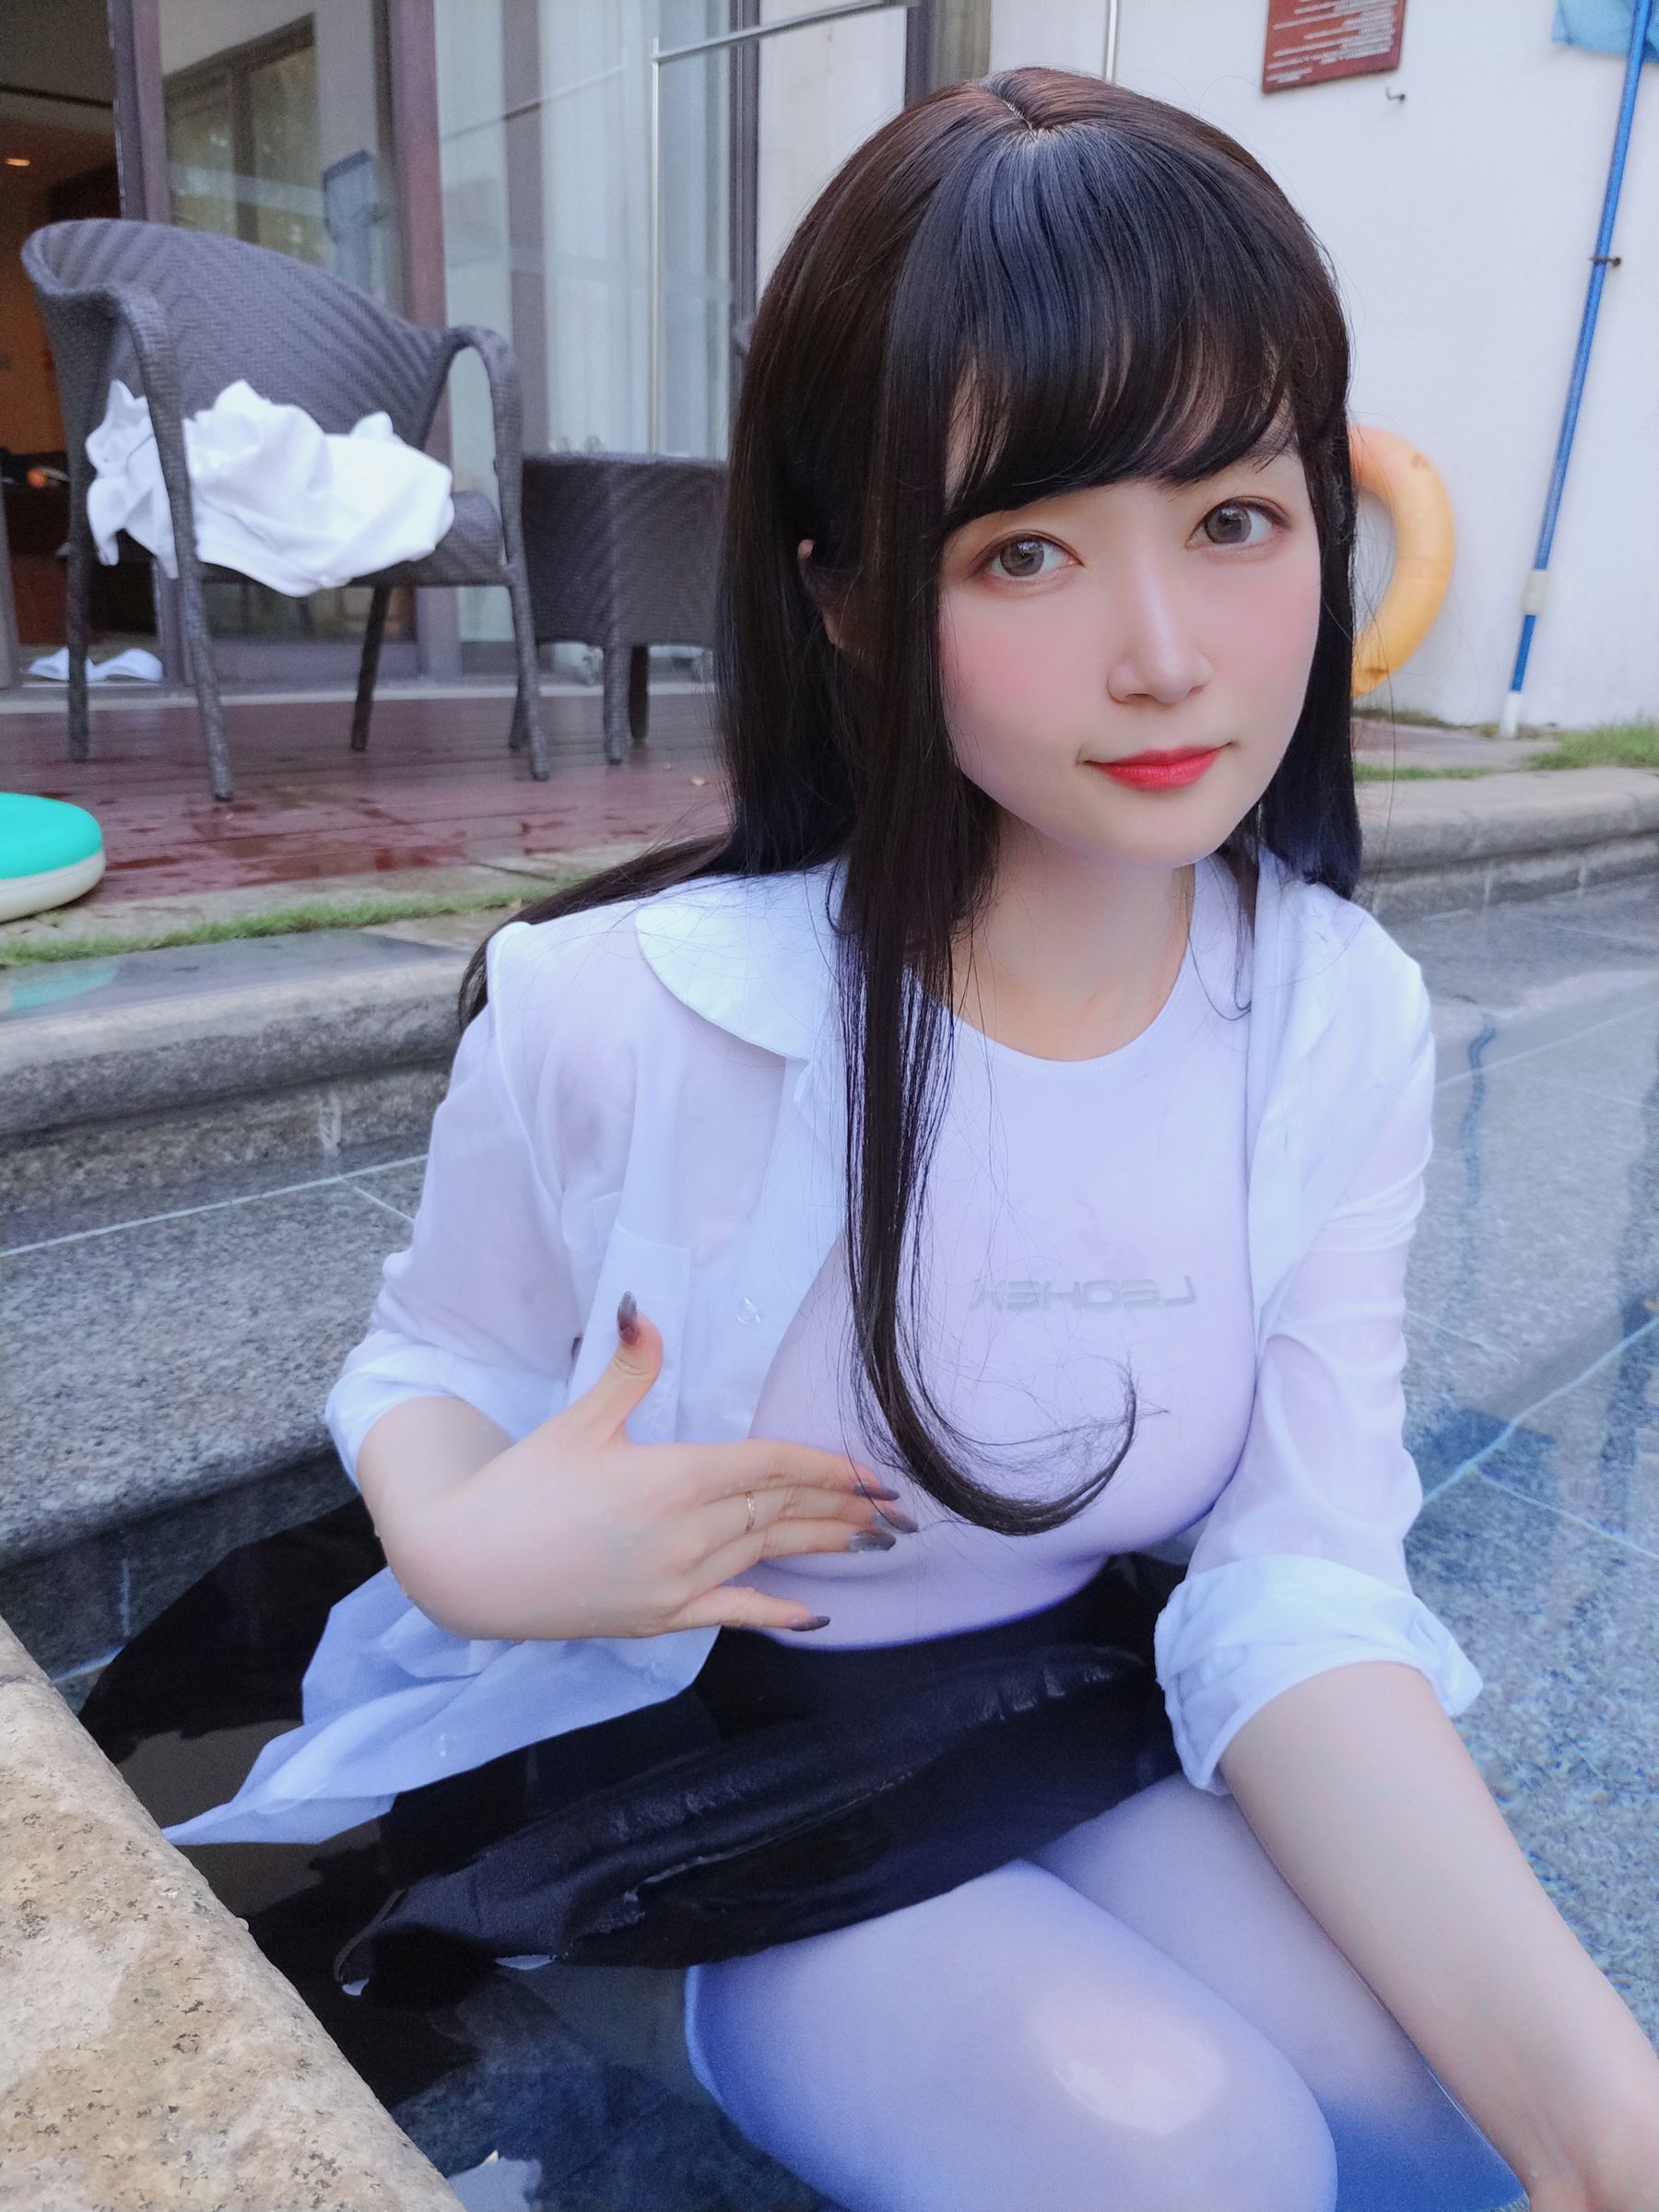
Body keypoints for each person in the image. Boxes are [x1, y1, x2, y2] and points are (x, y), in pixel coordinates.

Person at [127, 67, 1659, 2212]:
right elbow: (432, 1363)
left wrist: (1609, 2112)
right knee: (1186, 2161)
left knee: (1462, 2134)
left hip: (1027, 1694)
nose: (1165, 658)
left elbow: (1300, 1579)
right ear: (843, 595)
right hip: (653, 1748)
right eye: (1027, 549)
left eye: (1234, 520)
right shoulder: (627, 1013)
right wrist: (467, 1541)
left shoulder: (1337, 1018)